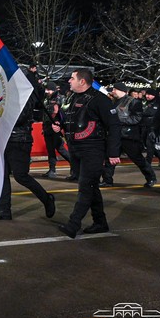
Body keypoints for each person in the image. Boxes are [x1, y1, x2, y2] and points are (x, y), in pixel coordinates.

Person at [54, 69, 120, 238]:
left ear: (82, 81)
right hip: (76, 149)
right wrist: (59, 125)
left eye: (72, 78)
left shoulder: (100, 100)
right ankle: (100, 222)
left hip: (93, 149)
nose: (69, 81)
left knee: (85, 187)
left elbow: (113, 126)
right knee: (91, 186)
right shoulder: (72, 97)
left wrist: (113, 152)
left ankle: (73, 224)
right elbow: (69, 118)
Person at [0, 81, 56, 221]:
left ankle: (47, 199)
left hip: (19, 140)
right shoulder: (6, 96)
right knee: (2, 175)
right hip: (5, 139)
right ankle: (4, 209)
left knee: (21, 176)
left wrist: (0, 113)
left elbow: (20, 118)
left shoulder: (25, 97)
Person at [101, 82, 157, 187]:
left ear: (122, 90)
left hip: (128, 136)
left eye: (115, 89)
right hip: (115, 135)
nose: (112, 92)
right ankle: (107, 180)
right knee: (110, 158)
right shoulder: (112, 102)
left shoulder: (134, 102)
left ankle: (151, 177)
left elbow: (137, 118)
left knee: (137, 158)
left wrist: (118, 120)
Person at [41, 81, 70, 178]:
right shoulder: (46, 99)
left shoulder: (60, 98)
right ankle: (52, 169)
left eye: (48, 90)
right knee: (50, 150)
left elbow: (63, 112)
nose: (47, 91)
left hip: (56, 127)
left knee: (61, 149)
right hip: (47, 127)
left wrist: (59, 124)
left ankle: (75, 166)